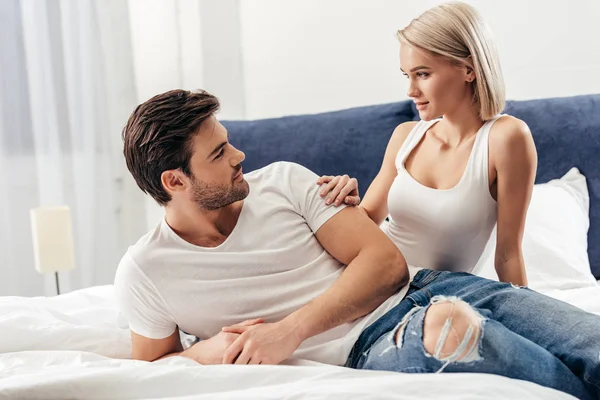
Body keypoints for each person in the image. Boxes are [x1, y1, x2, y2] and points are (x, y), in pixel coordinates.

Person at [115, 88, 599, 400]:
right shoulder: (147, 270)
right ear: (175, 180)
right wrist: (208, 350)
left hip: (425, 286)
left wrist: (290, 330)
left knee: (589, 342)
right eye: (219, 153)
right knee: (448, 330)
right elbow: (155, 366)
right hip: (370, 345)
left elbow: (386, 264)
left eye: (229, 140)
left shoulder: (284, 181)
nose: (240, 155)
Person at [317, 2, 536, 286]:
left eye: (423, 74)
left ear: (469, 69)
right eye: (407, 75)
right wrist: (342, 199)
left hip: (438, 293)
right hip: (371, 282)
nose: (411, 91)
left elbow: (507, 256)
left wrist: (524, 313)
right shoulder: (406, 136)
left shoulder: (507, 138)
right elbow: (366, 220)